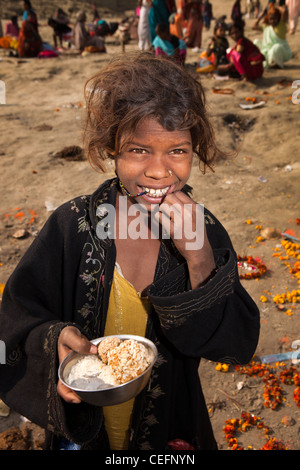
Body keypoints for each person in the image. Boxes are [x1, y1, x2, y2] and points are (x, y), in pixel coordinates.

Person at [0, 52, 260, 451]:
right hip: (85, 424)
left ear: (196, 149)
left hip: (169, 421)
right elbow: (16, 317)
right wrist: (54, 341)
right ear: (111, 147)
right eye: (139, 150)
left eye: (177, 150)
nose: (158, 171)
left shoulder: (202, 229)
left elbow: (236, 342)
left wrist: (199, 259)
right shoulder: (72, 225)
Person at [252, 3, 292, 68]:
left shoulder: (281, 25)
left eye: (275, 18)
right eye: (271, 19)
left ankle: (278, 64)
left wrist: (274, 8)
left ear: (278, 18)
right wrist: (261, 15)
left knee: (276, 48)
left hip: (281, 51)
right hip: (267, 50)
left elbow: (284, 10)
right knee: (255, 42)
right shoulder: (266, 27)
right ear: (268, 19)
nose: (273, 21)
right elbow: (253, 26)